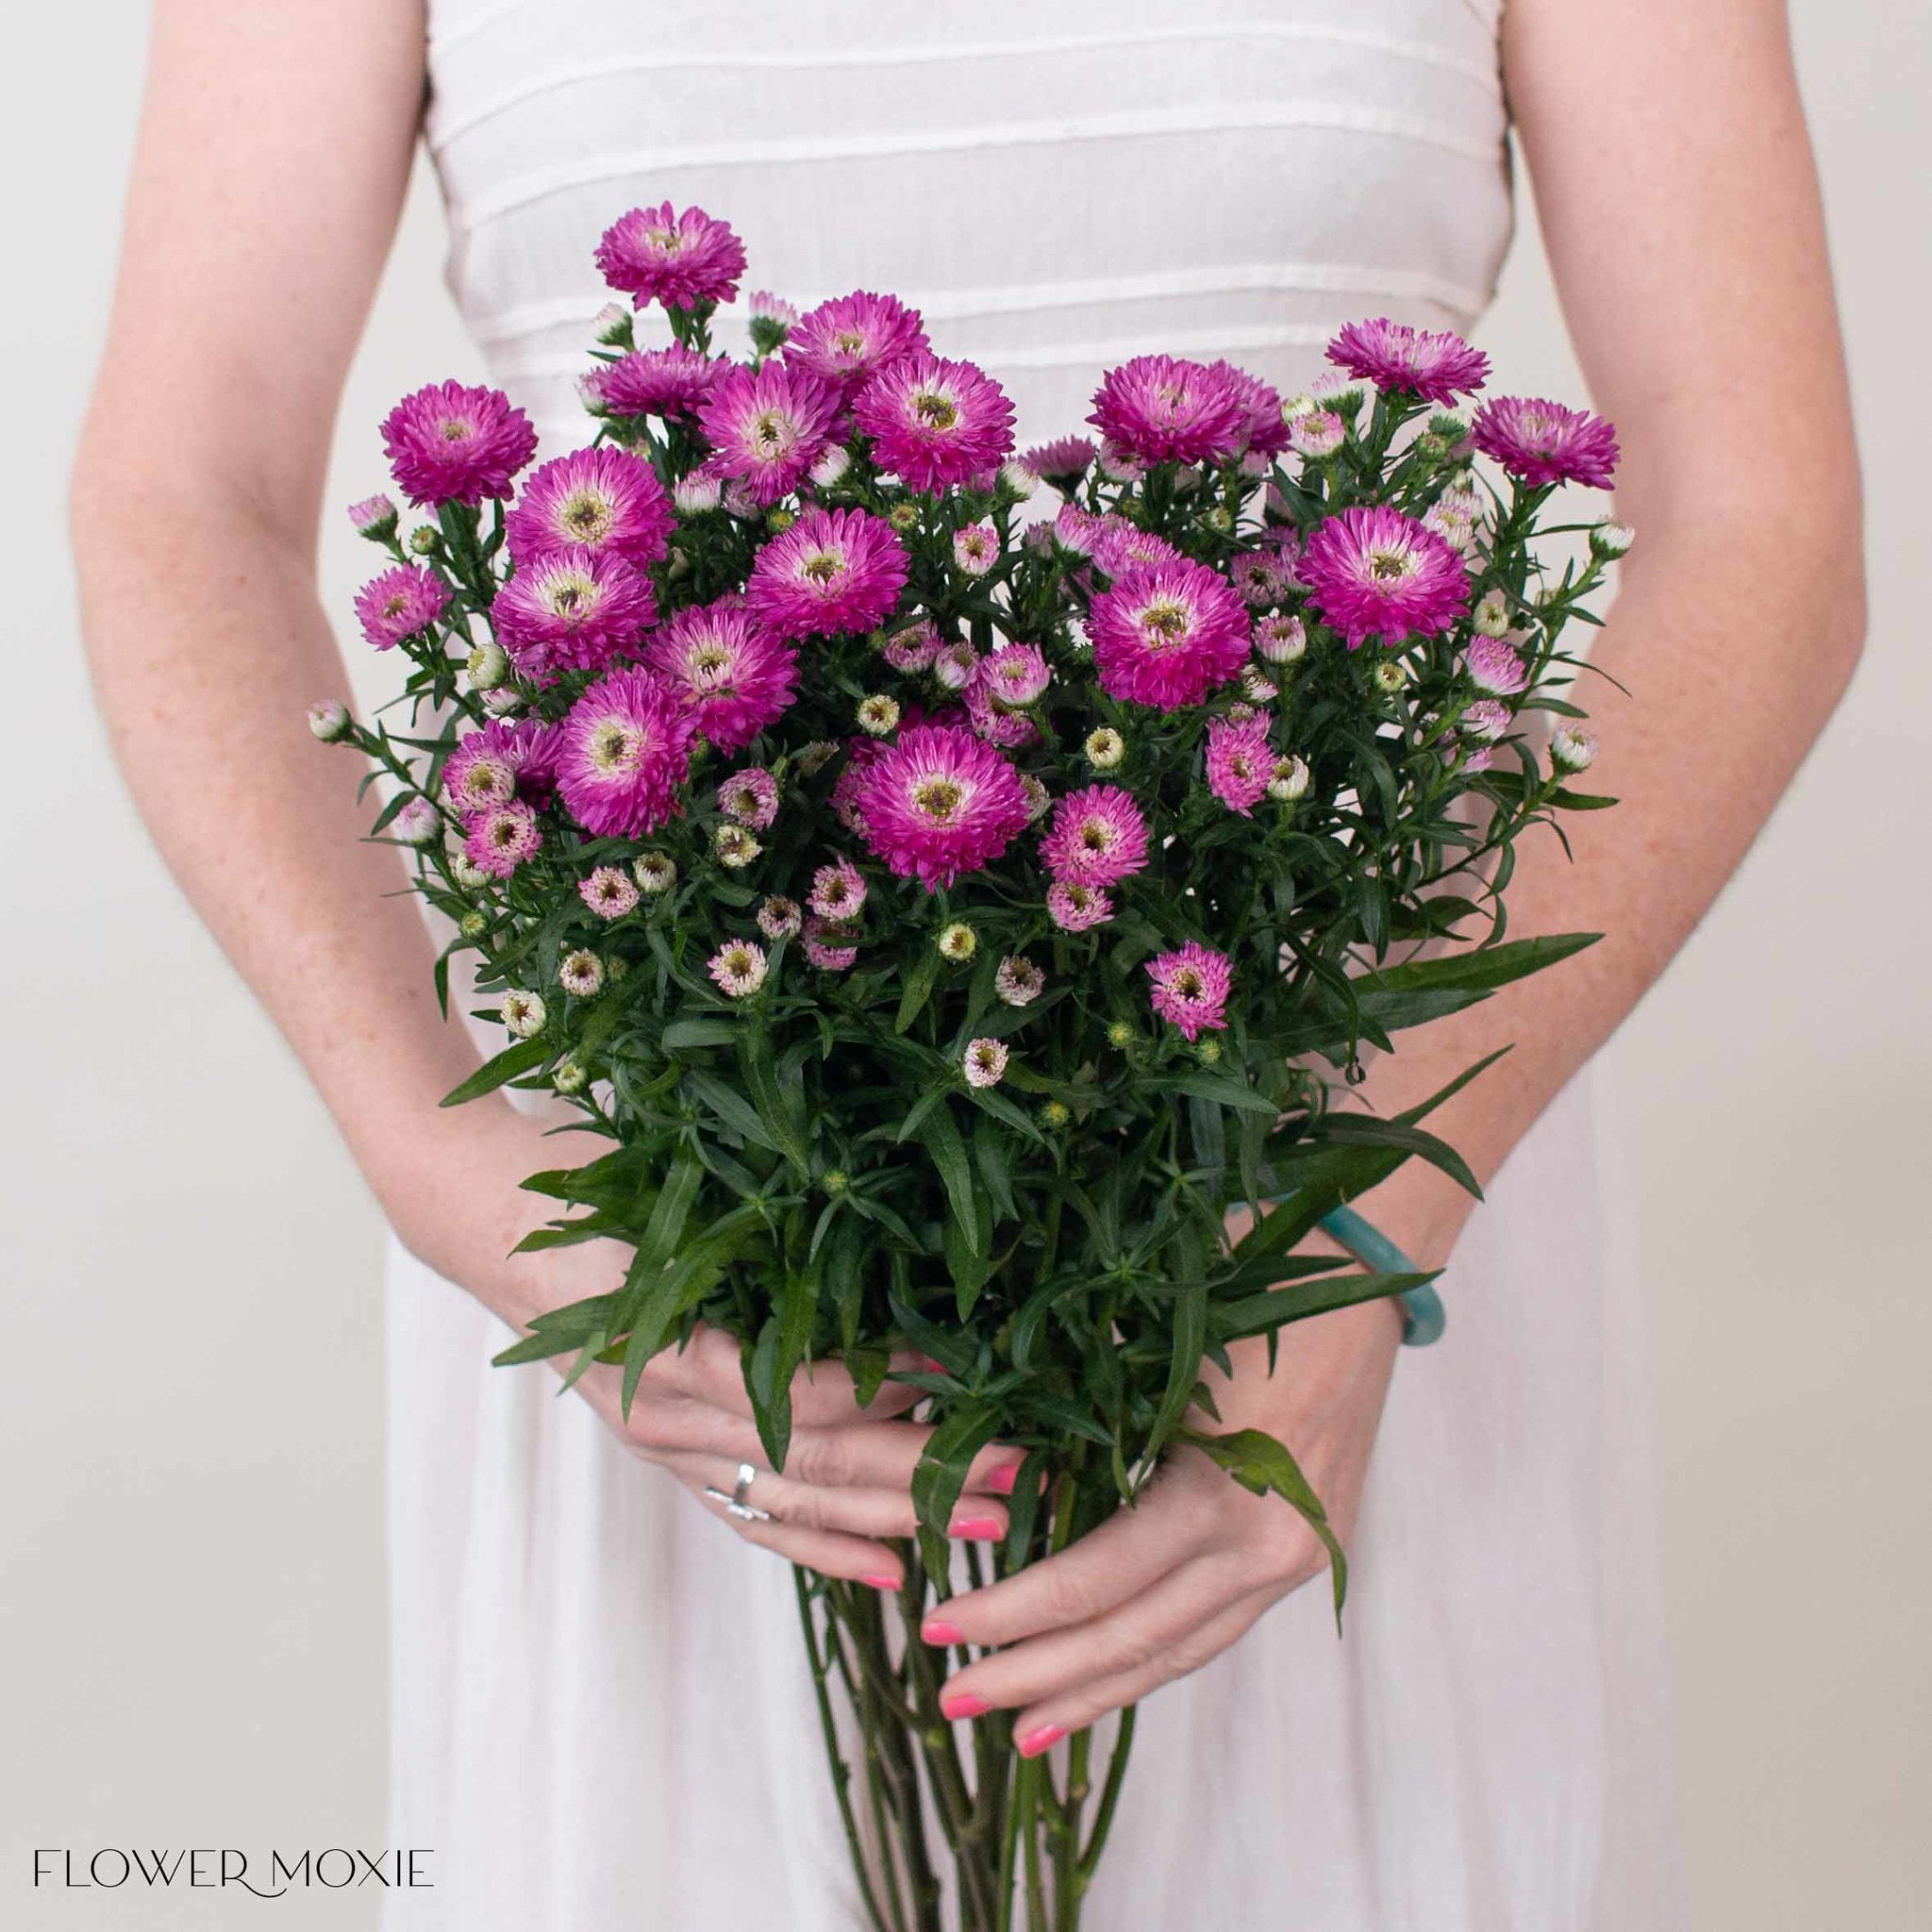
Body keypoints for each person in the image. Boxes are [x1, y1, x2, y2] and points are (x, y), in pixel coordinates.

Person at [73, 1, 1861, 1925]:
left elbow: (1759, 517)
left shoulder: (1353, 1229)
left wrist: (1356, 1215)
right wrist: (462, 1181)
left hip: (1341, 1246)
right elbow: (186, 492)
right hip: (689, 1275)